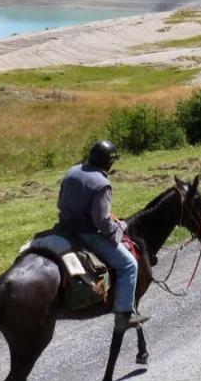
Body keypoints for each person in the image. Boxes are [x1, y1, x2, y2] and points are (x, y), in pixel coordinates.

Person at [57, 140, 150, 332]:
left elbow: (60, 203)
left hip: (63, 230)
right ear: (109, 163)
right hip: (86, 235)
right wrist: (121, 227)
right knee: (129, 265)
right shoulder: (102, 184)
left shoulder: (72, 172)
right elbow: (102, 222)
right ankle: (124, 315)